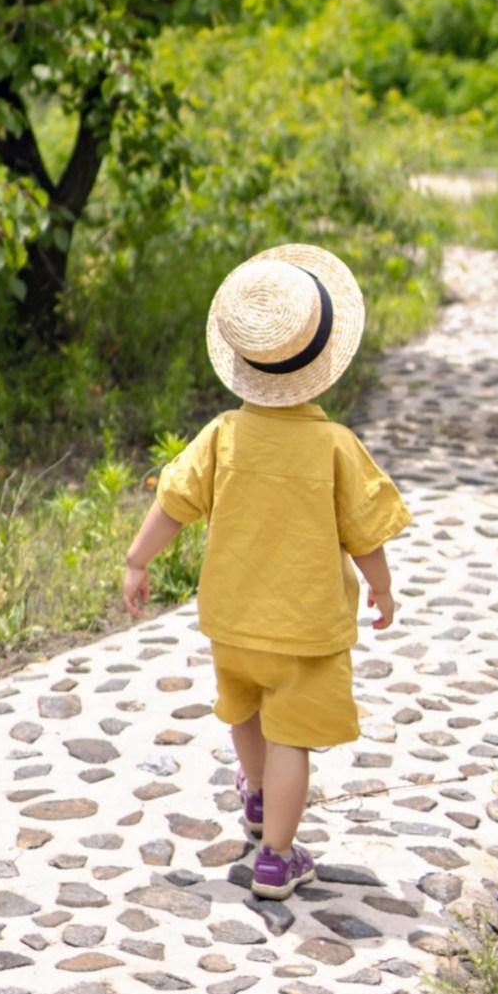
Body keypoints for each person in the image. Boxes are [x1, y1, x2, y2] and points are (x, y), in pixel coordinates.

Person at [120, 242, 408, 901]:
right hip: (304, 632)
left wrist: (138, 561)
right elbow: (366, 531)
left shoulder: (223, 434)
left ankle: (255, 803)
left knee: (245, 714)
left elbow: (173, 501)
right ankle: (277, 857)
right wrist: (381, 587)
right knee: (292, 741)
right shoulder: (334, 445)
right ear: (327, 363)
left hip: (233, 623)